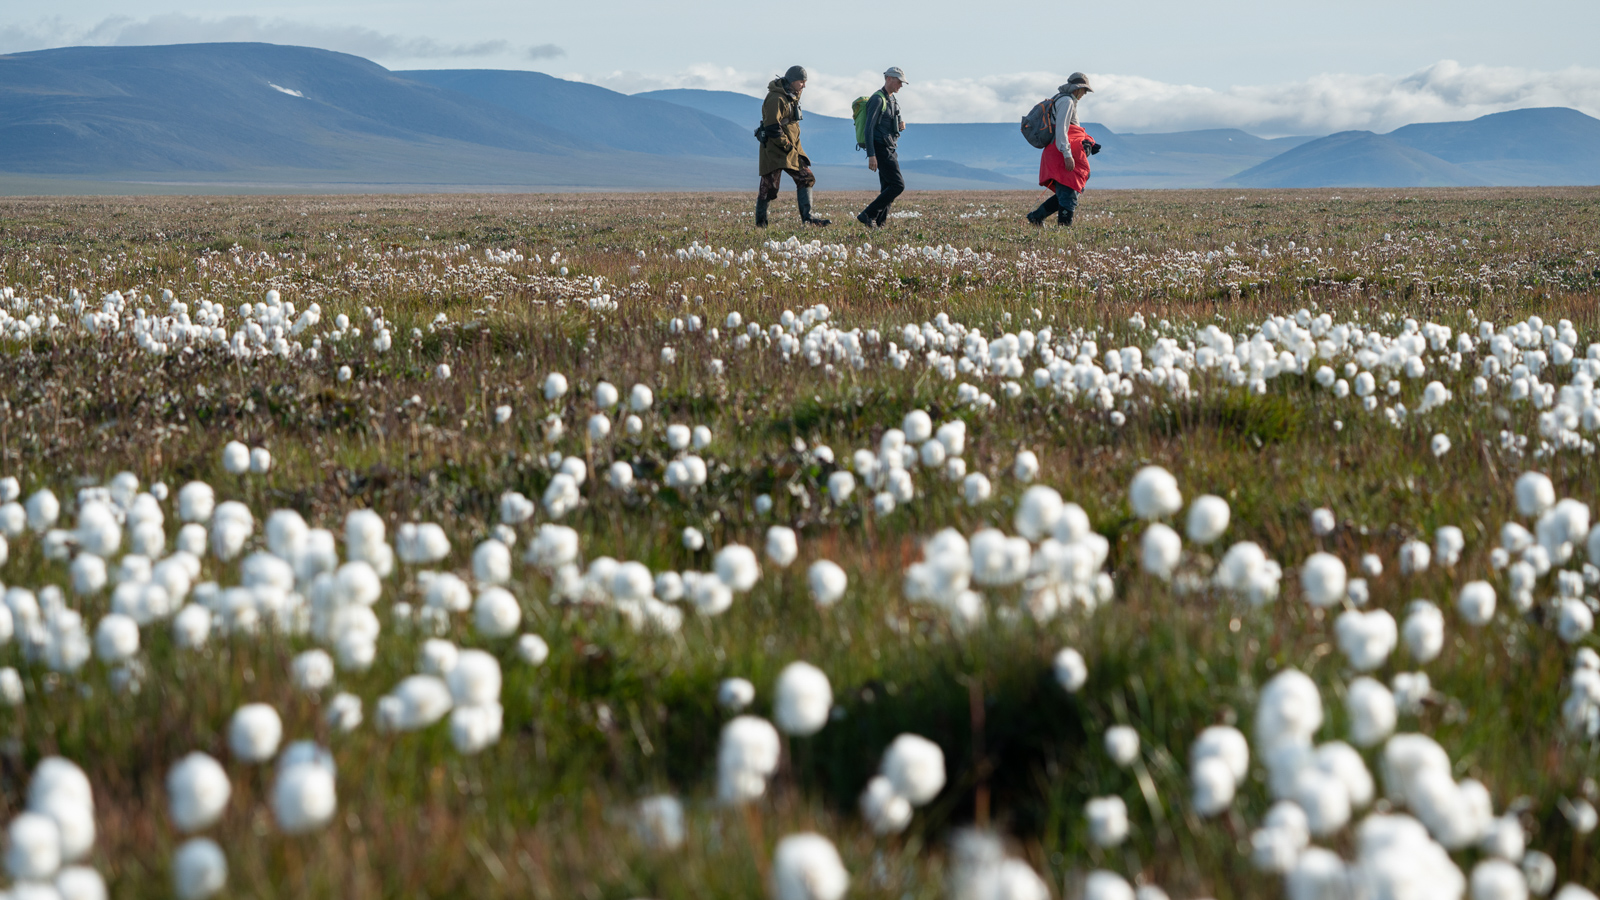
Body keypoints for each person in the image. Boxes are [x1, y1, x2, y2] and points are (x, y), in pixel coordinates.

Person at [757, 65, 830, 227]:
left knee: (806, 178)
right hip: (775, 149)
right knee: (769, 188)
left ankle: (808, 219)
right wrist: (787, 145)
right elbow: (771, 127)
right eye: (801, 82)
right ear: (791, 81)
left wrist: (792, 147)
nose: (804, 85)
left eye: (805, 82)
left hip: (790, 149)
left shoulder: (791, 96)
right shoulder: (776, 98)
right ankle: (761, 225)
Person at [1027, 72, 1099, 227]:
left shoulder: (1061, 99)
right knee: (1069, 191)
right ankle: (1064, 229)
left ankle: (1037, 217)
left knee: (1066, 191)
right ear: (1078, 89)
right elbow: (1062, 130)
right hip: (1061, 153)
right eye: (1084, 91)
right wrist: (1067, 154)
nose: (1084, 94)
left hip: (1057, 151)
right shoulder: (1066, 102)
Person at [855, 67, 908, 228]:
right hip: (881, 148)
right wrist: (872, 155)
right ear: (889, 79)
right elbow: (868, 128)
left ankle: (880, 223)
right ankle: (868, 214)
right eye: (899, 81)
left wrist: (899, 125)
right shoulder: (877, 99)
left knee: (888, 187)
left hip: (890, 146)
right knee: (898, 185)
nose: (901, 85)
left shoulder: (892, 99)